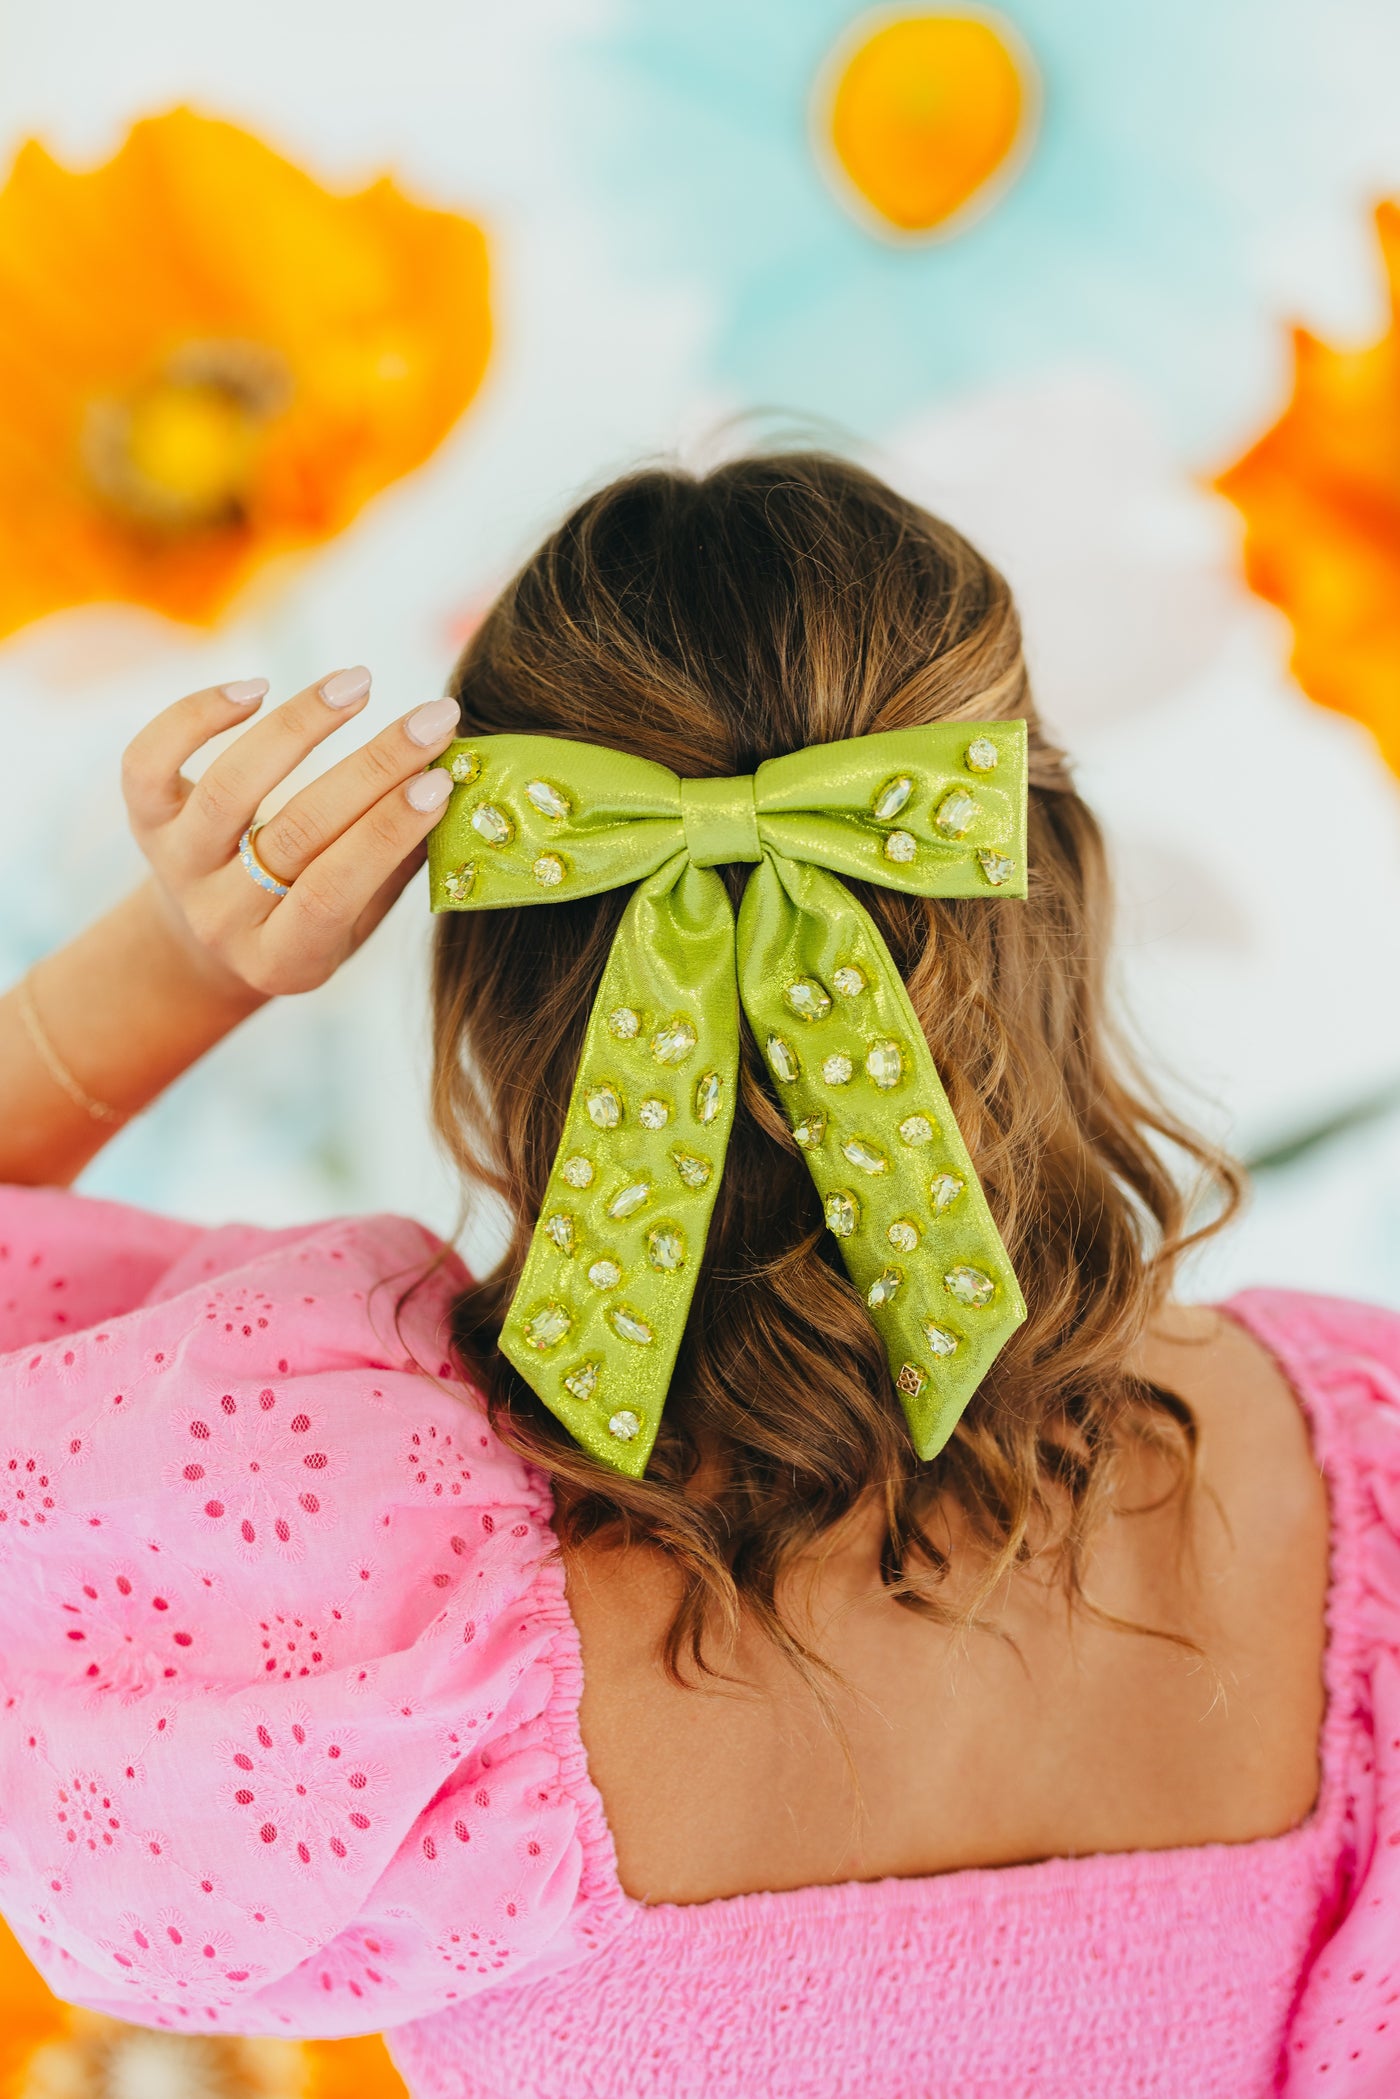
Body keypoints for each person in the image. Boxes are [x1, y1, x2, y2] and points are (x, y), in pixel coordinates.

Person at [0, 453, 1395, 2099]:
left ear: (496, 1000)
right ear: (1050, 893)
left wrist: (178, 960)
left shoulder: (351, 1575)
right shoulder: (1354, 1480)